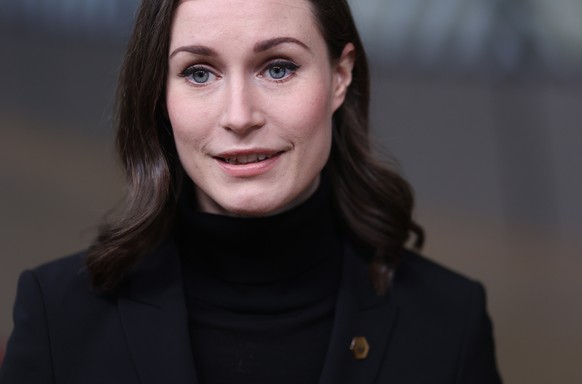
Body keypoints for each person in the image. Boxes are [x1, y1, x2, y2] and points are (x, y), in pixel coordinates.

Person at [0, 0, 502, 383]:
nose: (239, 116)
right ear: (160, 93)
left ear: (339, 77)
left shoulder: (449, 321)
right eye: (199, 72)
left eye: (278, 67)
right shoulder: (58, 315)